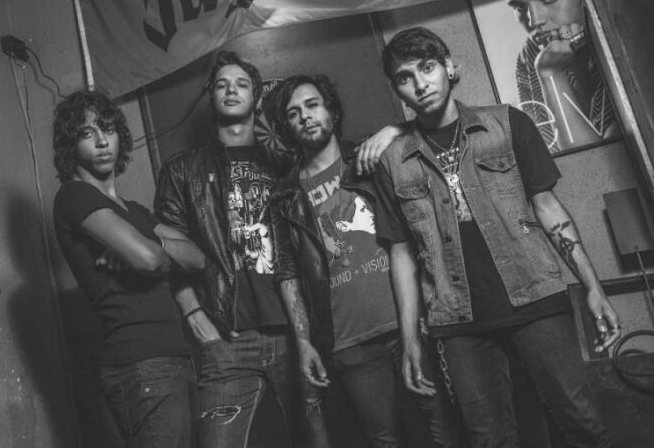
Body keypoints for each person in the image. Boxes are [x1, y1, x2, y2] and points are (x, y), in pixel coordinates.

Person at [372, 26, 621, 447]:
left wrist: (593, 287)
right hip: (458, 320)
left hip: (536, 296)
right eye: (405, 77)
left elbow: (548, 208)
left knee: (581, 424)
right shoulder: (392, 161)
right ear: (397, 89)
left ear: (449, 67)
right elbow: (401, 253)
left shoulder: (507, 124)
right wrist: (410, 338)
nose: (420, 83)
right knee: (490, 440)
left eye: (428, 67)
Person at [269, 74, 461, 447]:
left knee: (443, 428)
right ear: (287, 127)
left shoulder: (369, 159)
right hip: (347, 341)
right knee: (384, 440)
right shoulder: (285, 196)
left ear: (331, 111)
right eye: (293, 113)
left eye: (312, 105)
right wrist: (304, 342)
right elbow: (288, 273)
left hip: (409, 323)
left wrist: (392, 130)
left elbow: (425, 131)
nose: (305, 116)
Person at [154, 50, 299, 448]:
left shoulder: (287, 162)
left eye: (241, 84)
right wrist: (193, 314)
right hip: (228, 338)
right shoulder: (183, 171)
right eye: (221, 84)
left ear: (257, 97)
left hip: (295, 331)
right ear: (211, 97)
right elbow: (171, 250)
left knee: (319, 438)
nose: (231, 90)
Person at [52, 90, 205, 447]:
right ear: (71, 146)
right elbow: (148, 260)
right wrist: (148, 250)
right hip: (140, 364)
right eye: (87, 133)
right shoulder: (74, 196)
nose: (102, 141)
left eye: (108, 129)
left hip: (176, 358)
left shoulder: (135, 211)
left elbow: (198, 258)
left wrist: (145, 244)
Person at [506, 0, 616, 152]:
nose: (534, 20)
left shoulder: (628, 34)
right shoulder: (531, 52)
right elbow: (548, 150)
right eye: (521, 7)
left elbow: (601, 159)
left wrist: (552, 74)